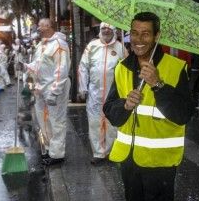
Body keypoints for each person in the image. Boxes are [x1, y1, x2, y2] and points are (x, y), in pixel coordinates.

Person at [103, 12, 194, 201]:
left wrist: (157, 85)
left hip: (159, 160)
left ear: (156, 36)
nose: (139, 39)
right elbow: (111, 111)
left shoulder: (174, 67)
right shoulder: (121, 68)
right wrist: (124, 105)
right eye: (134, 33)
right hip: (129, 159)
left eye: (145, 34)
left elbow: (183, 113)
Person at [23, 18, 70, 166]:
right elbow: (37, 65)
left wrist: (55, 91)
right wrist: (25, 66)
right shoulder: (41, 45)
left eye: (42, 26)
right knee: (44, 120)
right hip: (41, 88)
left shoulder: (59, 45)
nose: (39, 28)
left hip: (54, 88)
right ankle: (50, 149)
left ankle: (57, 155)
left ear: (50, 27)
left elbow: (61, 69)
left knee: (56, 121)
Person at [78, 22, 124, 164]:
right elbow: (83, 67)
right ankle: (98, 153)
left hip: (113, 93)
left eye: (109, 28)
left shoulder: (120, 48)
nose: (106, 30)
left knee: (112, 124)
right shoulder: (92, 46)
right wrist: (82, 88)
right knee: (95, 122)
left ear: (114, 30)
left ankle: (111, 152)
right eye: (103, 28)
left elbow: (125, 71)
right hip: (94, 92)